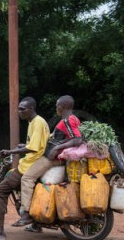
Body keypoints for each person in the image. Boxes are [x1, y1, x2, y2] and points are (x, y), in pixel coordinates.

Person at [0, 97, 49, 240]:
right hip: (33, 162)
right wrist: (20, 146)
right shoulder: (34, 122)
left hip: (30, 165)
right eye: (18, 108)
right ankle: (36, 224)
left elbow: (34, 148)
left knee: (0, 191)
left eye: (22, 109)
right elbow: (35, 144)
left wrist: (10, 152)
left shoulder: (37, 123)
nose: (19, 111)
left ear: (31, 109)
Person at [13, 95, 83, 226]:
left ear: (63, 106)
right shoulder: (71, 119)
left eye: (57, 106)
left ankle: (26, 214)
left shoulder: (68, 120)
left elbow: (77, 139)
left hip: (52, 158)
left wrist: (57, 148)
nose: (56, 108)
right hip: (52, 155)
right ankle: (36, 222)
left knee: (27, 178)